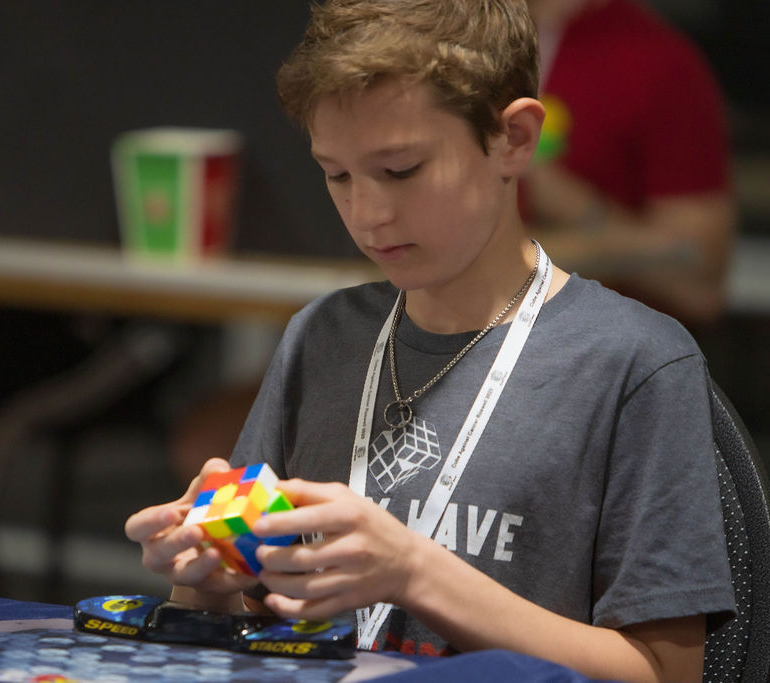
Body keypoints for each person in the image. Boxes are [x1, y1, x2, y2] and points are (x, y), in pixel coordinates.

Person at [125, 1, 735, 681]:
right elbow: (229, 619)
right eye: (337, 174)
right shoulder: (322, 336)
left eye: (402, 170)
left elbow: (664, 672)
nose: (368, 213)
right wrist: (208, 566)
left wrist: (415, 570)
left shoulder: (632, 363)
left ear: (513, 138)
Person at [523, 0, 736, 326]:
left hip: (596, 348)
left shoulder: (656, 58)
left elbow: (700, 281)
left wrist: (577, 207)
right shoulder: (450, 37)